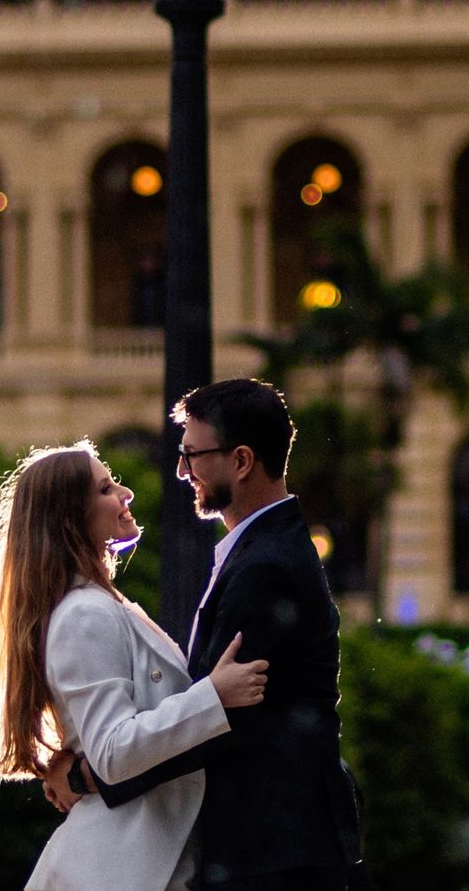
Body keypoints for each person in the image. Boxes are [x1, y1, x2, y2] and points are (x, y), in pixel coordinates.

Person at [51, 379, 370, 890]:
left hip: (272, 850)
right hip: (274, 843)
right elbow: (207, 704)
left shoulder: (265, 567)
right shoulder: (262, 551)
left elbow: (218, 720)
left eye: (192, 455)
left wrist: (84, 777)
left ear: (241, 461)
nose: (182, 471)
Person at [0, 441, 271, 891]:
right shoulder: (86, 612)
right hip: (118, 864)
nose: (125, 494)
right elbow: (111, 751)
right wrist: (213, 697)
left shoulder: (98, 604)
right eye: (106, 489)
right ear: (72, 518)